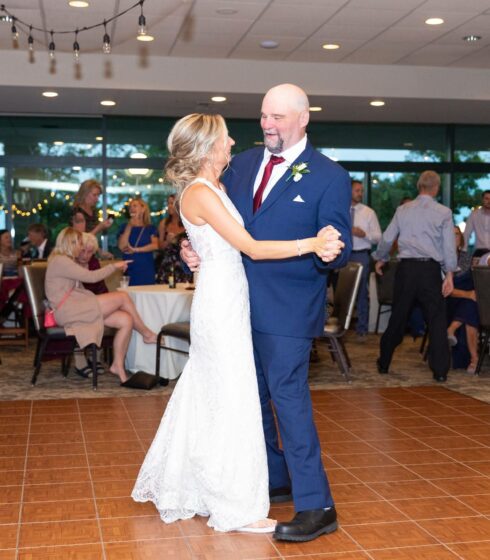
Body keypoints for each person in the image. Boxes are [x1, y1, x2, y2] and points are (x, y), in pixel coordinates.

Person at [131, 111, 345, 535]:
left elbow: (211, 233)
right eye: (226, 139)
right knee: (231, 396)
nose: (233, 144)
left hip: (236, 297)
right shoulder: (203, 190)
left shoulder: (218, 184)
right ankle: (232, 500)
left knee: (221, 393)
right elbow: (250, 245)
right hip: (223, 303)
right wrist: (313, 242)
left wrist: (194, 249)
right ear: (209, 146)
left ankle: (213, 482)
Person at [373, 170, 458, 382]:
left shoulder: (403, 210)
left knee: (398, 316)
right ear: (436, 188)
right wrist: (449, 273)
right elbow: (449, 247)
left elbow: (387, 238)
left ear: (419, 187)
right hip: (430, 271)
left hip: (407, 270)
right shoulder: (444, 212)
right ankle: (440, 372)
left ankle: (384, 363)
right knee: (437, 320)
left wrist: (381, 258)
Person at [45, 227, 157, 384]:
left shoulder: (65, 261)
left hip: (76, 307)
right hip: (68, 310)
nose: (82, 248)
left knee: (125, 320)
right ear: (71, 243)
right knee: (123, 297)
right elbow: (91, 278)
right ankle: (147, 334)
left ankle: (117, 365)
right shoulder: (61, 261)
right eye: (80, 244)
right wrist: (114, 266)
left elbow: (80, 288)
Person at [350, 179, 381, 339]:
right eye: (357, 190)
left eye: (361, 191)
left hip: (361, 254)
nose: (360, 193)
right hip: (341, 254)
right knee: (339, 292)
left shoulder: (369, 212)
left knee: (361, 293)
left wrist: (364, 234)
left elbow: (378, 237)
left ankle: (361, 329)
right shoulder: (339, 210)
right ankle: (339, 327)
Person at [447, 226, 479, 374]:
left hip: (467, 301)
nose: (455, 237)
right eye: (451, 235)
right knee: (470, 304)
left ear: (461, 239)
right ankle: (474, 359)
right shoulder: (440, 259)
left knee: (470, 306)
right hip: (447, 303)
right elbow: (444, 290)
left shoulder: (467, 258)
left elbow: (476, 283)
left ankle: (451, 329)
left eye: (457, 235)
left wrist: (470, 295)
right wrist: (468, 294)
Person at [117, 198, 158, 285]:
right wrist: (129, 226)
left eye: (135, 206)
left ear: (143, 209)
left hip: (146, 268)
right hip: (129, 268)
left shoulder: (150, 228)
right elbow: (121, 246)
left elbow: (155, 245)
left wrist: (136, 250)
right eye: (130, 207)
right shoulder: (124, 227)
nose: (131, 209)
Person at [156, 194, 191, 284]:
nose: (169, 206)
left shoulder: (187, 223)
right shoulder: (164, 223)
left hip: (183, 264)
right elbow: (160, 247)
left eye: (172, 203)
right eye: (168, 203)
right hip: (167, 265)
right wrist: (167, 241)